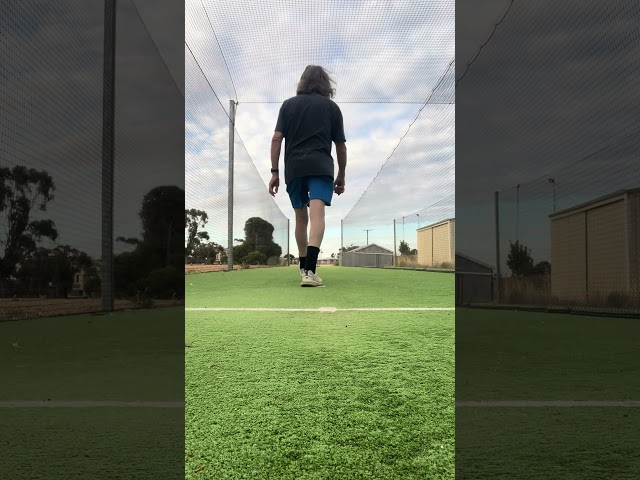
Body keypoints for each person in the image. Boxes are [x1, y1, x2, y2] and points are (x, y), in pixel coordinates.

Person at [269, 65, 347, 287]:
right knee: (317, 213)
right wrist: (341, 175)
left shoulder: (288, 105)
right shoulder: (332, 108)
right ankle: (310, 271)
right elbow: (340, 147)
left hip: (293, 168)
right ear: (326, 84)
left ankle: (303, 267)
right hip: (321, 167)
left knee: (300, 217)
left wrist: (274, 172)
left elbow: (276, 139)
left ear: (302, 82)